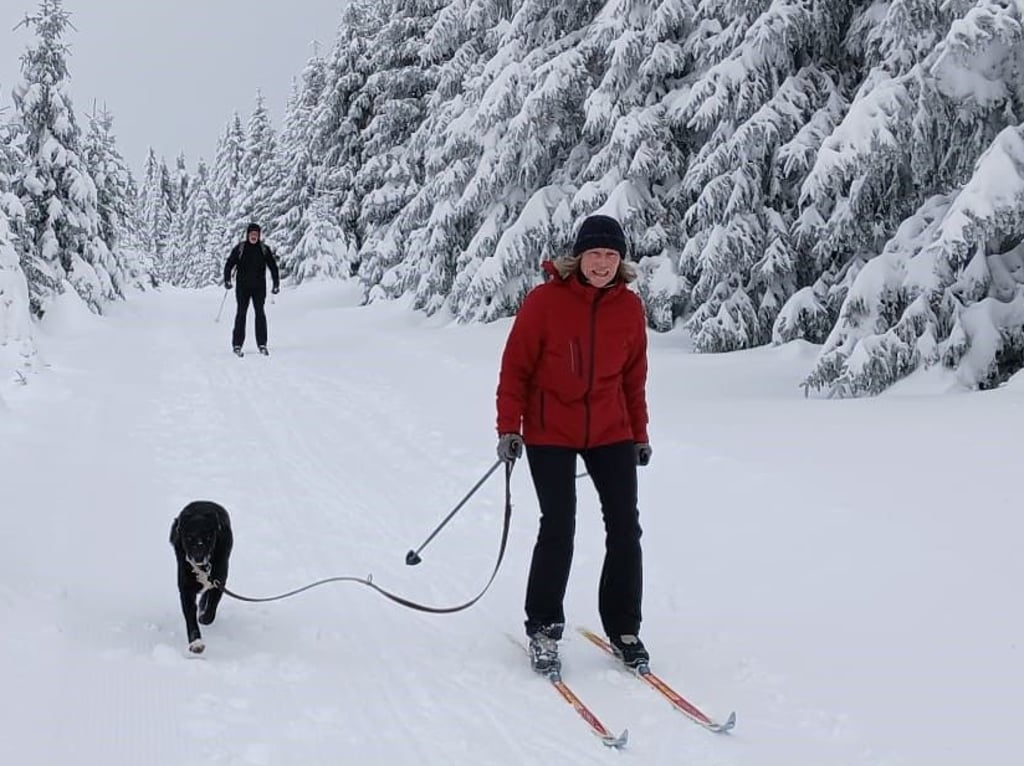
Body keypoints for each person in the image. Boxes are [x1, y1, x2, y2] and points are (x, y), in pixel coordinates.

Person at [495, 213, 653, 675]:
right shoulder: (544, 302)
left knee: (626, 528)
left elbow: (634, 378)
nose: (602, 263)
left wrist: (639, 434)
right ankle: (543, 626)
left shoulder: (629, 308)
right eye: (594, 254)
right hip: (550, 431)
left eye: (610, 255)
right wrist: (509, 428)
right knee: (559, 525)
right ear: (578, 257)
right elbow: (515, 369)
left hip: (611, 430)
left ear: (620, 261)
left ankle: (624, 627)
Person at [224, 222, 280, 356]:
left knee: (260, 314)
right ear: (248, 235)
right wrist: (227, 279)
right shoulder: (240, 248)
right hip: (242, 288)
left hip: (259, 288)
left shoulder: (264, 249)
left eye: (256, 234)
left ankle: (262, 344)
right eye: (252, 234)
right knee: (241, 314)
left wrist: (276, 283)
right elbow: (229, 264)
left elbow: (273, 267)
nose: (254, 236)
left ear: (259, 235)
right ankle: (237, 344)